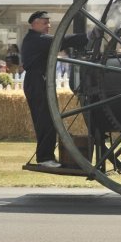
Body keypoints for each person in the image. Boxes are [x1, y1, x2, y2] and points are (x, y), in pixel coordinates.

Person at [21, 10, 88, 169]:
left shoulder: (37, 39)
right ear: (34, 23)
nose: (48, 26)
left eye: (48, 22)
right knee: (45, 120)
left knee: (48, 119)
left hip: (40, 81)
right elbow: (60, 41)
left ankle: (47, 155)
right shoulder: (36, 39)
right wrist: (87, 36)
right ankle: (44, 157)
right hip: (36, 81)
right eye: (45, 23)